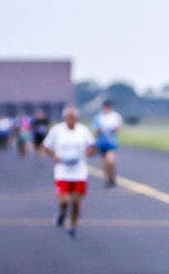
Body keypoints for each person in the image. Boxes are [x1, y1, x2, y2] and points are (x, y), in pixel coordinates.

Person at [42, 105, 97, 238]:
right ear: (64, 118)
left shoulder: (83, 131)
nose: (71, 120)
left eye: (73, 117)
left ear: (77, 118)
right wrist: (54, 156)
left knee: (77, 202)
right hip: (63, 171)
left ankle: (73, 225)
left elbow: (93, 148)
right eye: (68, 117)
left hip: (79, 172)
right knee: (64, 201)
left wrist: (88, 152)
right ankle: (61, 213)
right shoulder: (57, 130)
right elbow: (46, 146)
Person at [92, 100, 124, 187]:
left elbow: (119, 128)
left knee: (111, 160)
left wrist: (114, 128)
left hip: (111, 142)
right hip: (101, 142)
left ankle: (112, 175)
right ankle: (107, 178)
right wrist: (100, 129)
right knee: (105, 162)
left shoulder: (115, 116)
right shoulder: (98, 117)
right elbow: (95, 130)